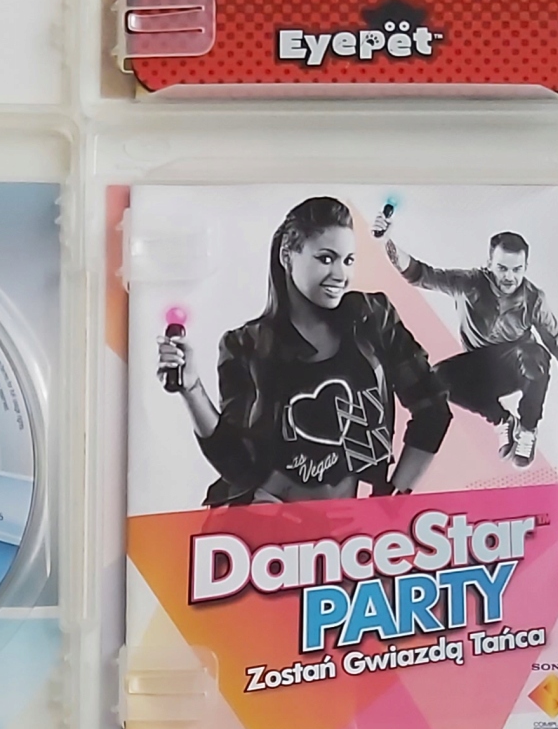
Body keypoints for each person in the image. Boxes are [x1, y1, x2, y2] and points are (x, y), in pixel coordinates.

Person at [155, 197, 453, 506]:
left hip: (347, 523)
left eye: (348, 260)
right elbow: (238, 465)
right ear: (287, 255)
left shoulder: (372, 318)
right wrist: (192, 390)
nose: (340, 274)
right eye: (326, 258)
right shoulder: (246, 344)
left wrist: (391, 502)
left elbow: (433, 409)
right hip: (265, 516)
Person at [377, 216, 558, 466]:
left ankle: (527, 430)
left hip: (520, 368)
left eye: (517, 270)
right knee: (436, 379)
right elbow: (419, 274)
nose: (509, 277)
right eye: (502, 268)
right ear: (489, 264)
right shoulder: (470, 283)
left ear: (525, 267)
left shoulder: (534, 299)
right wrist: (386, 240)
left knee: (535, 354)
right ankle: (502, 420)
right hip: (482, 370)